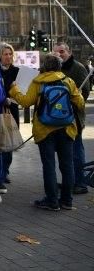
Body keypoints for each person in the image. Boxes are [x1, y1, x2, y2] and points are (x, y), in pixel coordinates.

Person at [9, 53, 84, 210]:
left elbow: (25, 101)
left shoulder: (38, 82)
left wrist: (14, 89)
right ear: (59, 66)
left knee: (49, 166)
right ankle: (67, 201)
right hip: (66, 129)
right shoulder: (68, 81)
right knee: (67, 165)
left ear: (44, 67)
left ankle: (52, 201)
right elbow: (80, 103)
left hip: (45, 130)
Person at [53, 42, 90, 195]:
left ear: (68, 51)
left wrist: (68, 104)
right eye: (56, 53)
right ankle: (70, 181)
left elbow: (85, 93)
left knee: (76, 152)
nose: (59, 54)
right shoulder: (56, 68)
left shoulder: (78, 68)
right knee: (65, 153)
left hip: (73, 117)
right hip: (59, 118)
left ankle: (80, 183)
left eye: (62, 51)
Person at [0, 42, 19, 185]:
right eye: (6, 54)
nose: (9, 57)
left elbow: (22, 93)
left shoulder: (17, 71)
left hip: (12, 111)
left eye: (10, 54)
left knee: (8, 145)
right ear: (0, 56)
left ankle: (4, 172)